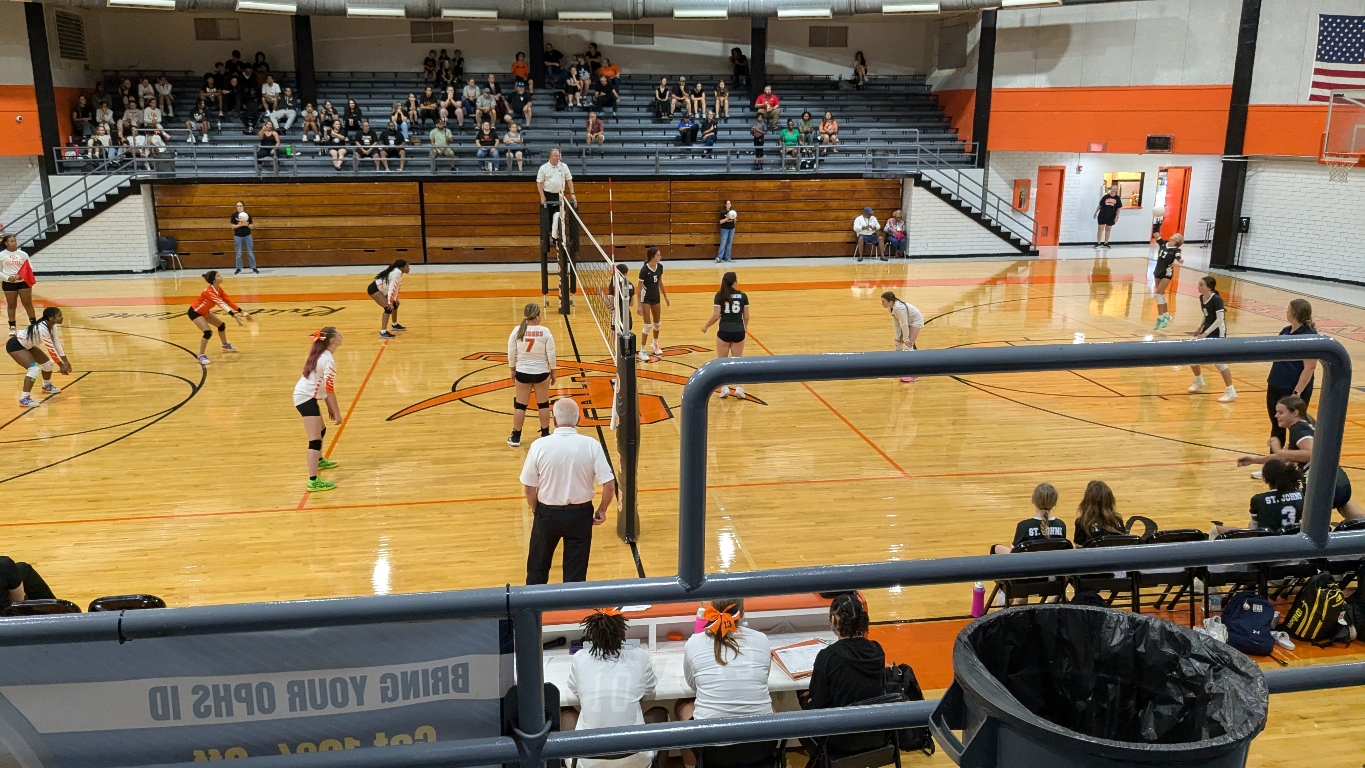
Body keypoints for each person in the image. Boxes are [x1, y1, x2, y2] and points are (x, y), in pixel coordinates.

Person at [520, 398, 615, 584]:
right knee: (575, 575)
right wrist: (602, 509)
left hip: (547, 514)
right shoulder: (592, 445)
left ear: (554, 420)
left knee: (537, 569)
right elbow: (609, 485)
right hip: (580, 515)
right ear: (578, 419)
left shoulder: (539, 445)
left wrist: (537, 510)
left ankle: (534, 603)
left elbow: (529, 487)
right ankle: (572, 604)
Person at [562, 609, 667, 768]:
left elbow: (574, 689)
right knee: (660, 713)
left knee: (565, 714)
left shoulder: (580, 657)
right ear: (622, 635)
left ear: (591, 636)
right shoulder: (640, 655)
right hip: (635, 761)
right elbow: (649, 689)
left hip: (588, 762)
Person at [676, 598, 771, 768]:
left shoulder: (694, 642)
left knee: (682, 706)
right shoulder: (761, 639)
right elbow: (764, 677)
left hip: (713, 749)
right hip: (761, 746)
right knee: (770, 707)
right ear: (742, 612)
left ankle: (691, 765)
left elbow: (693, 685)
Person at [1237, 395, 1365, 521]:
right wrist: (1254, 460)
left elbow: (1312, 454)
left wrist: (1278, 449)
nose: (1276, 416)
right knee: (1342, 504)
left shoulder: (1299, 429)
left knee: (1288, 502)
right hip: (1340, 485)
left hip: (1323, 487)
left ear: (1295, 413)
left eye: (1280, 412)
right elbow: (1283, 458)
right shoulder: (1303, 426)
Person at [799, 593, 886, 759]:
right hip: (877, 736)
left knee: (803, 701)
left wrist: (803, 699)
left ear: (833, 620)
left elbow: (817, 702)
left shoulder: (828, 657)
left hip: (839, 741)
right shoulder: (877, 650)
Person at [1263, 299, 1319, 456]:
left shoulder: (1309, 336)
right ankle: (1274, 463)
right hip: (1275, 384)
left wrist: (1297, 393)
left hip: (1294, 390)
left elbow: (1310, 367)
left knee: (1295, 426)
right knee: (1277, 424)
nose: (1286, 312)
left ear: (1294, 312)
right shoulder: (1285, 331)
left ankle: (1292, 462)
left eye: (1288, 309)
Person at [294, 327, 343, 493]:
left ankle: (319, 460)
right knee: (314, 440)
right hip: (305, 398)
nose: (342, 337)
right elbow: (329, 389)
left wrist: (330, 407)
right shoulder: (327, 360)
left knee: (321, 429)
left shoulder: (322, 355)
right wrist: (337, 413)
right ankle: (313, 481)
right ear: (333, 340)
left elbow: (322, 387)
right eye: (340, 335)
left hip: (306, 396)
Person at [507, 302, 557, 446]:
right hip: (541, 372)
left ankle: (516, 437)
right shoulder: (545, 331)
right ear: (536, 316)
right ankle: (545, 435)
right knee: (543, 405)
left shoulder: (517, 330)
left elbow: (511, 352)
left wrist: (512, 369)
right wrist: (553, 372)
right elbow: (551, 354)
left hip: (522, 372)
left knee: (520, 406)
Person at [1215, 460, 1303, 536]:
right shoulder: (1300, 494)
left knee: (1215, 530)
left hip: (1265, 543)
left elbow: (1253, 529)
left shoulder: (1258, 499)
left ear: (1265, 479)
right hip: (1294, 540)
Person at [6, 307, 70, 407]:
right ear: (51, 318)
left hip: (28, 346)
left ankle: (46, 385)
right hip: (16, 346)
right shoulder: (42, 328)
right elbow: (51, 349)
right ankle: (24, 398)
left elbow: (56, 343)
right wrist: (61, 365)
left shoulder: (52, 326)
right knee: (34, 369)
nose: (62, 317)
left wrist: (65, 361)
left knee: (48, 364)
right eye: (59, 316)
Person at [188, 270, 253, 366]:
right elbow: (221, 303)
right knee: (207, 332)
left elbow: (228, 300)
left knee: (221, 325)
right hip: (195, 312)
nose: (221, 277)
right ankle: (201, 356)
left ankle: (225, 346)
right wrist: (234, 315)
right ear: (214, 280)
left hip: (204, 312)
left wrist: (242, 312)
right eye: (218, 276)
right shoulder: (209, 291)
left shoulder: (219, 289)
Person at [1188, 275, 1237, 403]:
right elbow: (1205, 315)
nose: (1198, 287)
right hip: (1208, 330)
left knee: (1219, 362)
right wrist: (1199, 327)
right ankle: (1199, 380)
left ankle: (1231, 391)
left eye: (1201, 285)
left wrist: (1206, 333)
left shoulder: (1217, 299)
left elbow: (1220, 320)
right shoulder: (1202, 298)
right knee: (1191, 355)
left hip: (1218, 332)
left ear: (1209, 287)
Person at [700, 271, 749, 399]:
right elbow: (746, 316)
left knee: (722, 361)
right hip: (738, 331)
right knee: (738, 361)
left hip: (724, 331)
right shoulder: (743, 296)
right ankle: (739, 388)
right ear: (734, 282)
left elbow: (716, 315)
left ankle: (724, 387)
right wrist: (745, 328)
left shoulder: (719, 296)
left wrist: (706, 326)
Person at [991, 483, 1065, 554]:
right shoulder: (1061, 525)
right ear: (1055, 503)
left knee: (995, 548)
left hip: (1029, 562)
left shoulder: (1024, 526)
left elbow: (1014, 553)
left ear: (1033, 500)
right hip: (1053, 562)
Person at [880, 291, 923, 383]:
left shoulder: (899, 308)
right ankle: (899, 366)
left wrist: (906, 339)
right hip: (909, 321)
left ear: (890, 302)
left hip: (915, 321)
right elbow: (896, 323)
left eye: (883, 301)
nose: (882, 303)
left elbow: (904, 324)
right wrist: (898, 336)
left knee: (909, 345)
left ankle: (914, 373)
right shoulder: (890, 308)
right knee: (898, 343)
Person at [636, 246, 669, 361]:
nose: (660, 257)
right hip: (646, 299)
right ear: (652, 257)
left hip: (656, 298)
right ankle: (642, 350)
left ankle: (655, 344)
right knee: (647, 325)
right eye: (658, 255)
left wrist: (665, 296)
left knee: (657, 324)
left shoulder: (660, 267)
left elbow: (660, 282)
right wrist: (639, 305)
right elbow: (639, 289)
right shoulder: (644, 270)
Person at [2, 234, 36, 338]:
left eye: (15, 241)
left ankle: (33, 325)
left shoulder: (23, 254)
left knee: (27, 303)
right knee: (11, 305)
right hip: (9, 283)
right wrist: (8, 278)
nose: (14, 243)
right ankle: (12, 326)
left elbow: (30, 268)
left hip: (23, 282)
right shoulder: (1, 255)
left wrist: (21, 276)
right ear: (6, 243)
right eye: (11, 241)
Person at [1074, 480, 1124, 546]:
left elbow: (1079, 550)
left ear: (1087, 501)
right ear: (1110, 500)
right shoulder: (1118, 521)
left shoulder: (1082, 523)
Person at [368, 260, 409, 338]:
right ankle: (383, 332)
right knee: (388, 308)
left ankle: (394, 325)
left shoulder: (399, 273)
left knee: (395, 304)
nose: (408, 268)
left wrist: (395, 299)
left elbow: (397, 287)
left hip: (382, 289)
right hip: (375, 289)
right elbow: (391, 288)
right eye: (407, 266)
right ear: (402, 267)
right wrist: (390, 302)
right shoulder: (397, 273)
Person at [1151, 233, 1183, 329]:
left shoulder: (1176, 250)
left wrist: (1180, 260)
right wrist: (1156, 232)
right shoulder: (1163, 243)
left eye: (1177, 235)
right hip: (1158, 270)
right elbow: (1157, 236)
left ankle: (1160, 318)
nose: (1174, 235)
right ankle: (1166, 315)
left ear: (1178, 240)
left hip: (1167, 272)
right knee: (1161, 295)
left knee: (1158, 294)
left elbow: (1178, 257)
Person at [230, 201, 257, 275]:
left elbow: (251, 226)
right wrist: (240, 225)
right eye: (238, 206)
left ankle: (254, 267)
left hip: (247, 235)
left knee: (250, 252)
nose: (239, 207)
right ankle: (238, 268)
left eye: (240, 206)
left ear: (243, 206)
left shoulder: (247, 215)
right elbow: (232, 226)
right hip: (238, 236)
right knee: (238, 253)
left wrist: (246, 224)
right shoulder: (234, 215)